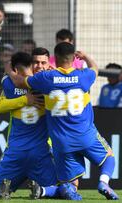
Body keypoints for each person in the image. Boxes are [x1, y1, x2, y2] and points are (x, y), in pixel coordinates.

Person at [6, 42, 119, 200]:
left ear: (54, 59)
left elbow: (19, 81)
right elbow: (95, 68)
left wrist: (9, 72)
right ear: (73, 58)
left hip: (62, 141)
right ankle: (103, 182)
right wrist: (85, 56)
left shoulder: (46, 78)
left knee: (70, 186)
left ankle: (44, 191)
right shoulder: (83, 76)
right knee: (109, 157)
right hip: (86, 135)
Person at [0, 52, 59, 200]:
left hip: (15, 151)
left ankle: (2, 190)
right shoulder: (46, 84)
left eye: (42, 63)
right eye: (36, 63)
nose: (39, 66)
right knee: (57, 189)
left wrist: (22, 98)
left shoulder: (8, 83)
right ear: (31, 65)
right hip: (40, 151)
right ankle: (41, 191)